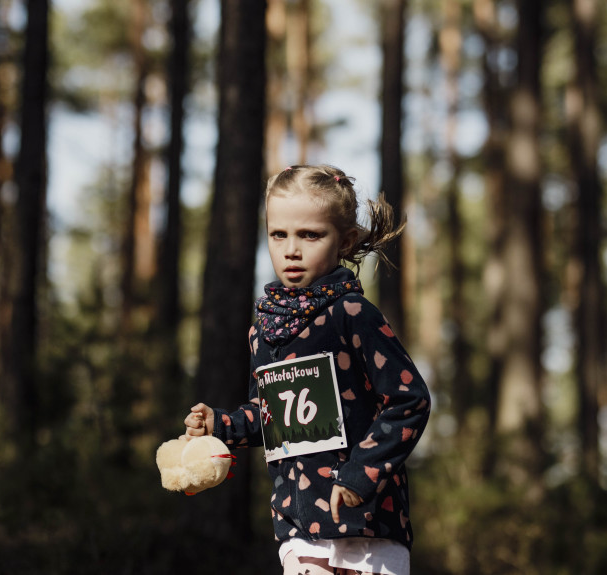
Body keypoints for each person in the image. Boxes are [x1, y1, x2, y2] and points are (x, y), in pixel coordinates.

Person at [183, 164, 431, 575]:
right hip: (299, 527)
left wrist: (360, 474)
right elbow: (272, 417)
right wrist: (221, 424)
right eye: (278, 234)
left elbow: (409, 400)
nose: (291, 249)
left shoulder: (352, 313)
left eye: (310, 235)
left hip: (368, 526)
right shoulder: (264, 330)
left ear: (345, 241)